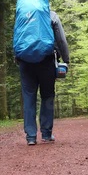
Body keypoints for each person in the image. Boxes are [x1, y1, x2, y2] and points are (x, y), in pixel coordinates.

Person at [16, 10, 70, 145]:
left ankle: (31, 137)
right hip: (46, 60)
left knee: (28, 97)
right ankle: (46, 134)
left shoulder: (23, 16)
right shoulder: (51, 15)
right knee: (47, 95)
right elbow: (61, 39)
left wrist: (17, 58)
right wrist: (66, 59)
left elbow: (17, 38)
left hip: (25, 61)